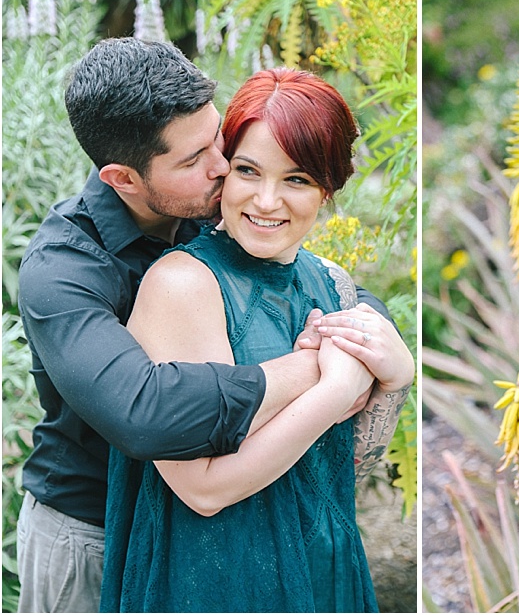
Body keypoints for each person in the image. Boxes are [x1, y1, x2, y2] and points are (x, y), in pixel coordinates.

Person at [15, 38, 401, 613]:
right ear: (123, 178)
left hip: (261, 533)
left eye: (216, 138)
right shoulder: (63, 270)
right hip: (91, 530)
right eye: (195, 160)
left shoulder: (212, 213)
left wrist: (378, 340)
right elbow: (147, 414)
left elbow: (308, 281)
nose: (223, 168)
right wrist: (324, 371)